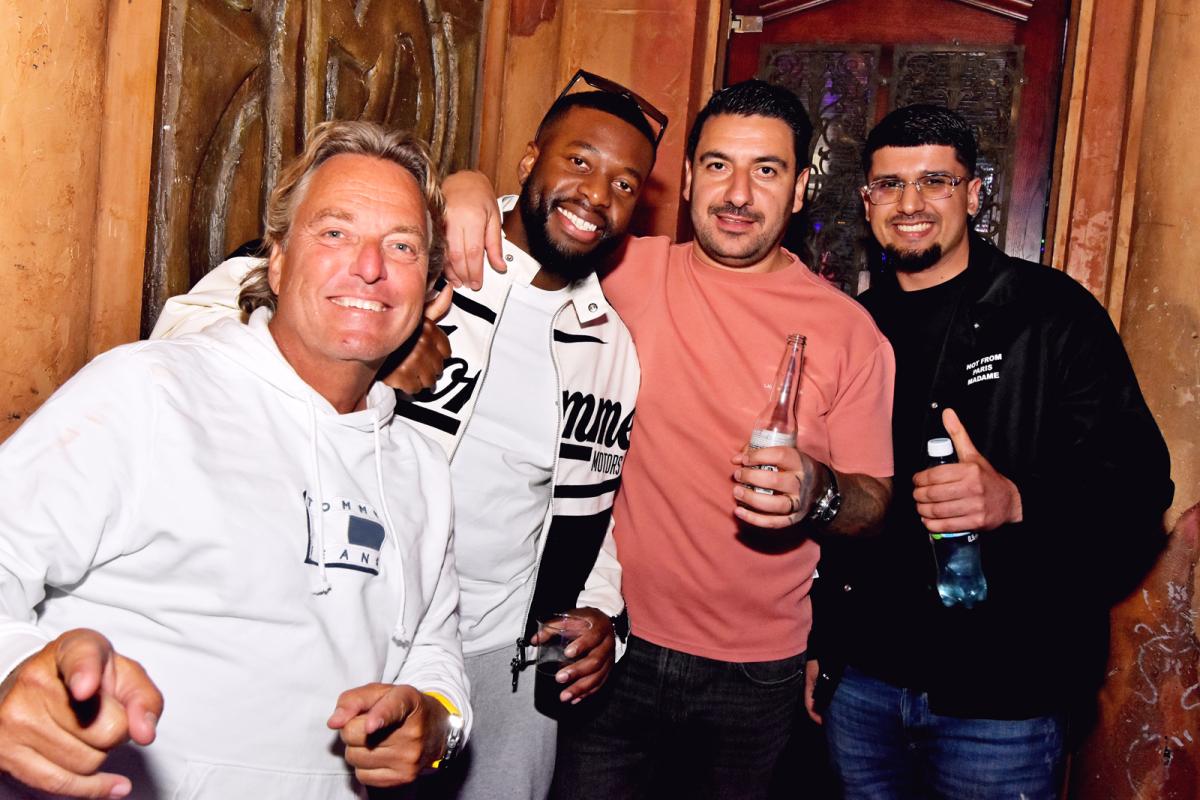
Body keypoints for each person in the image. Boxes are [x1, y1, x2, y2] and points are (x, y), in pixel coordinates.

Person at [150, 76, 662, 800]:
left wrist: (604, 611)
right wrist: (373, 360)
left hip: (503, 660)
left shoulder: (611, 347)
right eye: (578, 161)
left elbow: (586, 497)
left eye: (624, 183)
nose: (596, 194)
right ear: (529, 159)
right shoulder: (425, 249)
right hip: (349, 625)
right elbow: (183, 332)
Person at [440, 79, 895, 800]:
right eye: (717, 165)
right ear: (685, 180)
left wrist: (821, 491)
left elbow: (876, 504)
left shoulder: (850, 332)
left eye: (766, 170)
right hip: (610, 647)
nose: (737, 194)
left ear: (801, 189)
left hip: (756, 671)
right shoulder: (622, 267)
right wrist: (459, 190)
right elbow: (538, 215)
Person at [0, 121, 471, 799]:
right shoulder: (149, 392)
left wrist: (439, 725)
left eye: (401, 246)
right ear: (276, 261)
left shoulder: (423, 468)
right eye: (334, 232)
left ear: (429, 289)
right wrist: (13, 675)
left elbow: (434, 651)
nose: (370, 266)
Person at [803, 104, 1174, 799]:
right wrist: (826, 644)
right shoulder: (855, 326)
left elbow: (1141, 485)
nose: (910, 204)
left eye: (935, 181)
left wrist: (1018, 500)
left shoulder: (1051, 314)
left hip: (1004, 698)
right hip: (866, 683)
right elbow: (837, 504)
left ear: (975, 194)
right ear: (866, 200)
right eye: (890, 184)